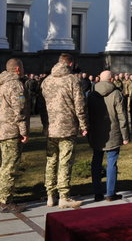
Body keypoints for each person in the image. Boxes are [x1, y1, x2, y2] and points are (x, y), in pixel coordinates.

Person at [41, 53, 88, 209]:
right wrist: (83, 125)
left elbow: (42, 105)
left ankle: (49, 195)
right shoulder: (72, 80)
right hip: (67, 127)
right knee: (65, 162)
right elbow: (79, 105)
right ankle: (63, 196)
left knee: (51, 161)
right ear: (70, 64)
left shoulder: (47, 81)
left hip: (51, 127)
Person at [0, 58, 30, 213]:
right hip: (12, 130)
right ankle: (5, 201)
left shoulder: (0, 83)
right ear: (17, 69)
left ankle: (1, 197)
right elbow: (19, 110)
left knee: (4, 165)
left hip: (2, 129)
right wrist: (23, 131)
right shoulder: (15, 84)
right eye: (22, 67)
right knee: (9, 166)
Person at [88, 70, 130, 202]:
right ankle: (110, 193)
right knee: (111, 162)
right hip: (113, 131)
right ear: (111, 79)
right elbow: (122, 116)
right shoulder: (116, 93)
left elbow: (87, 114)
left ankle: (97, 193)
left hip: (96, 132)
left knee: (96, 161)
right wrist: (125, 136)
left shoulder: (91, 94)